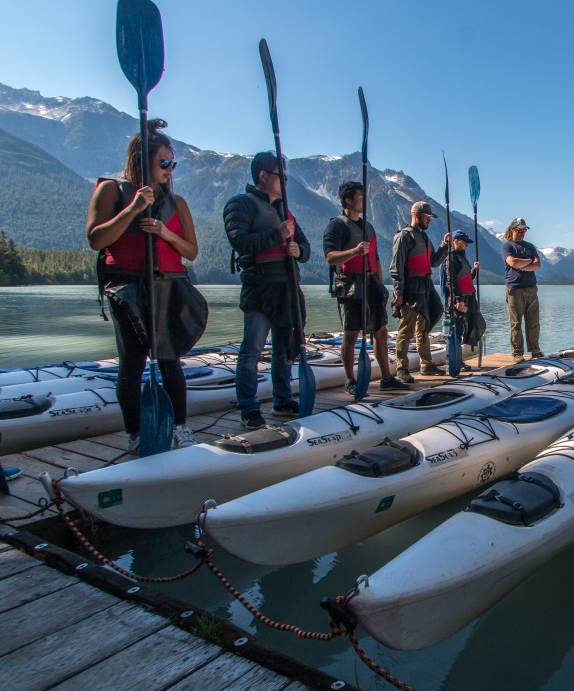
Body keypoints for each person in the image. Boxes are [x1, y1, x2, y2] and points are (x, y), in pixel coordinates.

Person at [86, 118, 204, 451]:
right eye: (163, 162)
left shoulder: (177, 203)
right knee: (133, 362)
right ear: (142, 161)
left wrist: (165, 233)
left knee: (170, 361)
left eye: (172, 163)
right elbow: (97, 239)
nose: (169, 169)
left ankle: (179, 428)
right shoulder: (112, 190)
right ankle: (136, 434)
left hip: (168, 286)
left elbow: (191, 251)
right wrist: (134, 208)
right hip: (128, 288)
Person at [224, 151, 311, 429]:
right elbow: (240, 242)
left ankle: (282, 400)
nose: (285, 180)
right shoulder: (241, 204)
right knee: (251, 351)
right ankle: (249, 407)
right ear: (263, 176)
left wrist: (298, 250)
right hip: (260, 289)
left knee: (284, 349)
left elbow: (306, 249)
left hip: (287, 289)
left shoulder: (286, 211)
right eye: (280, 175)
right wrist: (278, 234)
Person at [323, 181, 410, 394]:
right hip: (350, 284)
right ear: (348, 200)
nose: (364, 200)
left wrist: (381, 286)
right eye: (360, 197)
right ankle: (350, 380)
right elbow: (330, 257)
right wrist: (353, 252)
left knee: (380, 331)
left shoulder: (368, 227)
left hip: (371, 283)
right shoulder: (336, 225)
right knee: (351, 334)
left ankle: (386, 378)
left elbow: (377, 259)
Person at [390, 201, 447, 382]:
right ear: (416, 215)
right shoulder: (404, 237)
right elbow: (396, 268)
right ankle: (402, 368)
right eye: (427, 217)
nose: (429, 221)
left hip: (425, 285)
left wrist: (445, 246)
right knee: (406, 329)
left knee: (425, 324)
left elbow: (434, 262)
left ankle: (426, 365)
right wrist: (399, 293)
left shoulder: (424, 237)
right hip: (410, 287)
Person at [501, 217, 542, 362]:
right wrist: (528, 262)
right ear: (512, 229)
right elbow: (512, 262)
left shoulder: (530, 246)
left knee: (534, 322)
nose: (522, 232)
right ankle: (517, 353)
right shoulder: (507, 246)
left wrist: (522, 265)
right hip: (514, 289)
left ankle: (535, 351)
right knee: (516, 323)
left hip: (531, 288)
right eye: (519, 230)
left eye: (524, 230)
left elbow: (538, 265)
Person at [442, 229, 484, 369]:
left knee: (471, 326)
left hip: (468, 298)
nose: (467, 245)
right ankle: (454, 361)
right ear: (456, 241)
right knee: (456, 330)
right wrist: (458, 299)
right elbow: (452, 281)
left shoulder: (461, 257)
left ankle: (458, 360)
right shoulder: (451, 258)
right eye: (465, 242)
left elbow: (464, 279)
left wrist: (474, 272)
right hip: (458, 300)